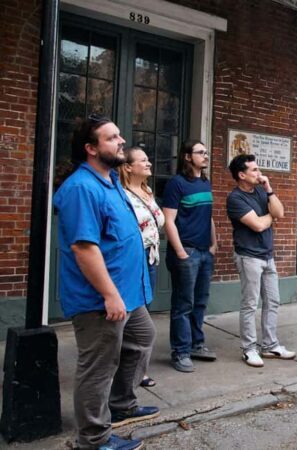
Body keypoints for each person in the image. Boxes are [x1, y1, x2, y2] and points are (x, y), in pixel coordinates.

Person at [54, 115, 158, 449]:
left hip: (128, 292)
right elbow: (84, 248)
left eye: (119, 135)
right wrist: (109, 295)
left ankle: (122, 405)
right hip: (100, 298)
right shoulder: (81, 188)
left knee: (142, 337)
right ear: (91, 148)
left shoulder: (111, 180)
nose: (121, 141)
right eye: (111, 138)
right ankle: (94, 439)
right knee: (98, 367)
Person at [227, 154, 296, 367]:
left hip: (267, 255)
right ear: (241, 175)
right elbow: (257, 225)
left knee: (272, 301)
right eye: (254, 170)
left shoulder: (260, 191)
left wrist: (269, 190)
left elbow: (280, 213)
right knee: (250, 304)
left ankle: (270, 345)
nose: (260, 173)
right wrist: (269, 218)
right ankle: (249, 349)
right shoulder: (235, 198)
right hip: (249, 257)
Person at [163, 140, 218, 373]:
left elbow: (208, 216)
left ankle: (197, 344)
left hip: (205, 252)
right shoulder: (177, 184)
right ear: (187, 157)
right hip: (187, 251)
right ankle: (181, 351)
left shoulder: (205, 182)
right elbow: (169, 221)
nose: (205, 156)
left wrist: (214, 243)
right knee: (183, 304)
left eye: (206, 152)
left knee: (200, 302)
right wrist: (180, 252)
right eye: (200, 152)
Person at [119, 146, 164, 388]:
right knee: (134, 317)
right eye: (143, 160)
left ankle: (137, 368)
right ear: (127, 167)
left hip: (151, 258)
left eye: (148, 159)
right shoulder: (122, 194)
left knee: (143, 312)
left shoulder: (147, 191)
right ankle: (128, 370)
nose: (149, 163)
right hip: (134, 258)